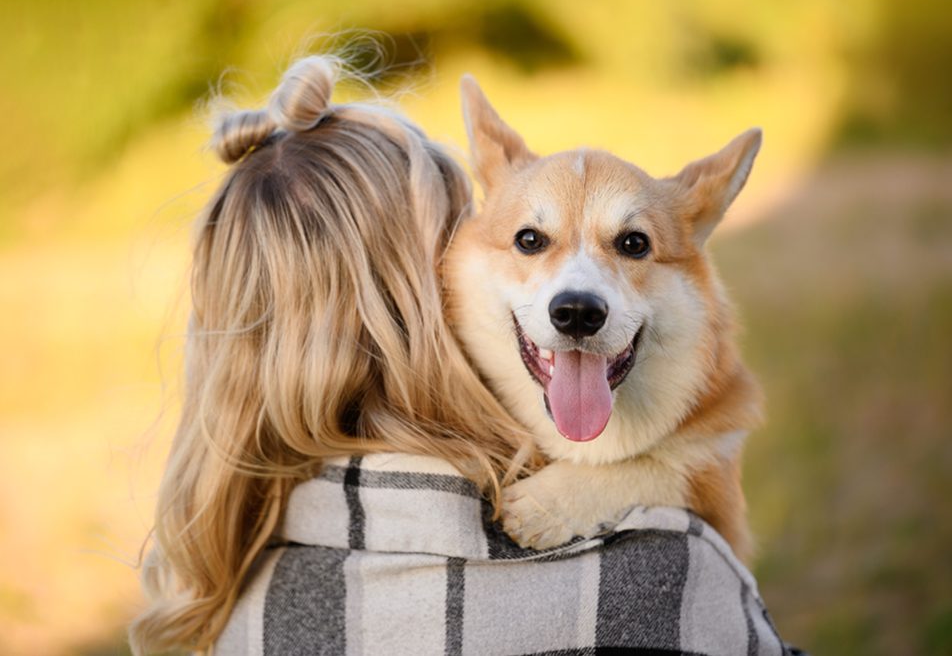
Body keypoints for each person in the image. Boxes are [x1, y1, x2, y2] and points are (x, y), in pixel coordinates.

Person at [130, 54, 795, 655]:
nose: (576, 297)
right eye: (527, 240)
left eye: (631, 245)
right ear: (423, 293)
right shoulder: (668, 577)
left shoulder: (234, 602)